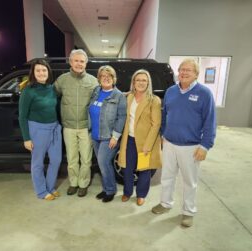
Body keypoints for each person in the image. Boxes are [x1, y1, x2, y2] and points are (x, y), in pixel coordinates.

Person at [151, 58, 216, 227]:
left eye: (189, 70)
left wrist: (205, 146)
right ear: (178, 72)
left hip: (191, 146)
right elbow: (165, 115)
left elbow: (210, 122)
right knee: (167, 177)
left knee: (189, 181)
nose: (184, 73)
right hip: (170, 144)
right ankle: (165, 203)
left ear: (196, 74)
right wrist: (163, 135)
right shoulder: (171, 91)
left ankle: (188, 211)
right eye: (182, 69)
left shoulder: (204, 94)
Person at [54, 49, 98, 197]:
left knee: (86, 158)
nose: (79, 64)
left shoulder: (92, 81)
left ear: (86, 63)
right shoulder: (62, 80)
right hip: (69, 126)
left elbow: (103, 96)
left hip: (86, 127)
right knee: (72, 158)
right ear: (71, 62)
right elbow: (53, 96)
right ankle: (73, 183)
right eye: (76, 61)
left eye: (82, 61)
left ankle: (83, 183)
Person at [18, 59, 62, 201]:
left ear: (48, 72)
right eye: (38, 70)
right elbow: (22, 116)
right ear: (33, 72)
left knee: (56, 160)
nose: (41, 73)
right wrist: (26, 138)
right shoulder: (28, 91)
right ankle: (42, 191)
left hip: (54, 128)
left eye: (44, 70)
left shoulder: (52, 88)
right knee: (38, 163)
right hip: (37, 130)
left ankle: (50, 187)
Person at [118, 69, 162, 206]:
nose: (141, 83)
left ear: (148, 82)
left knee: (144, 169)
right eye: (138, 80)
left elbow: (156, 124)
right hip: (129, 139)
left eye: (144, 80)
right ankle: (127, 192)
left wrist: (148, 145)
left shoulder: (154, 100)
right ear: (133, 82)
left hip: (145, 141)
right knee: (127, 168)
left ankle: (141, 194)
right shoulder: (129, 97)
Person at [89, 65, 126, 203]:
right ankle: (105, 188)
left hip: (109, 137)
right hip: (95, 135)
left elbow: (122, 117)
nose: (106, 78)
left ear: (113, 78)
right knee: (101, 164)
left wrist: (115, 136)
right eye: (103, 76)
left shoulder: (119, 96)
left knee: (104, 162)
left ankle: (110, 190)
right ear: (99, 79)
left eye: (109, 76)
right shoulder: (96, 92)